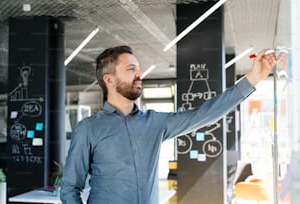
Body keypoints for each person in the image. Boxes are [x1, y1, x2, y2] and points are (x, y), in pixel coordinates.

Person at [60, 45, 278, 204]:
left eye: (138, 69)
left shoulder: (154, 122)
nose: (139, 74)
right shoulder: (88, 129)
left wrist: (251, 80)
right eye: (131, 69)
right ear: (109, 80)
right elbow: (70, 188)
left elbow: (204, 114)